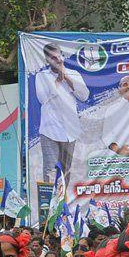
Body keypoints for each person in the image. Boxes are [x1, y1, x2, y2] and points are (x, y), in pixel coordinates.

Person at [35, 42, 89, 184]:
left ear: (63, 56)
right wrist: (58, 81)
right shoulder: (42, 76)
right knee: (51, 170)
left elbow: (84, 95)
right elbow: (42, 99)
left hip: (70, 130)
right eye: (53, 58)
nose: (57, 60)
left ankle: (63, 203)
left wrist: (67, 78)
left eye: (59, 56)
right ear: (47, 59)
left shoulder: (74, 74)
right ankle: (49, 205)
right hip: (50, 130)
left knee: (66, 171)